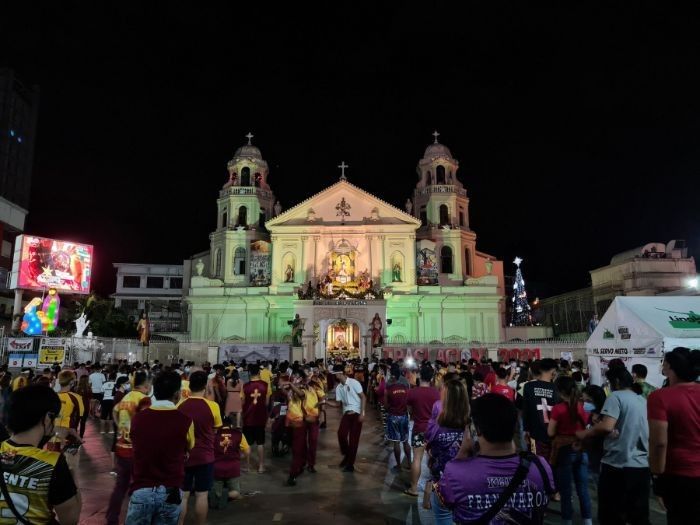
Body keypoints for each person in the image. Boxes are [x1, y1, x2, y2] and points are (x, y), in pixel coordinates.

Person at [438, 393, 555, 524]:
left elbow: (445, 500)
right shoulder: (540, 467)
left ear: (476, 430)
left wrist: (462, 452)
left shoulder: (455, 473)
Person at [576, 366, 650, 525]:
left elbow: (607, 426)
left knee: (612, 515)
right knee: (637, 516)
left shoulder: (616, 396)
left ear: (615, 381)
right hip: (641, 466)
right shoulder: (641, 399)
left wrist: (585, 434)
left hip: (617, 465)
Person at [0, 385, 81, 524]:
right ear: (48, 417)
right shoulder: (53, 463)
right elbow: (70, 519)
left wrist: (59, 429)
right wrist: (72, 469)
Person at [126, 370, 195, 525]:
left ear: (154, 392)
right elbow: (189, 448)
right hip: (170, 490)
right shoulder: (186, 421)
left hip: (141, 489)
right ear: (177, 394)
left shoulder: (138, 419)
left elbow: (135, 443)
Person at [647, 347, 700, 523]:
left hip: (680, 476)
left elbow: (658, 443)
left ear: (669, 366)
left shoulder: (660, 397)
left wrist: (657, 479)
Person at [177, 370, 223, 525]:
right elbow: (216, 430)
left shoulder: (180, 405)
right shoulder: (213, 406)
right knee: (202, 495)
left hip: (184, 457)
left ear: (189, 386)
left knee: (183, 495)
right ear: (205, 386)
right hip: (205, 456)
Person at [106, 370, 152, 525]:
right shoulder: (144, 400)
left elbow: (114, 411)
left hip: (121, 447)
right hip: (136, 450)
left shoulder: (126, 397)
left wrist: (120, 427)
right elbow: (147, 423)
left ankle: (112, 517)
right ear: (146, 385)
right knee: (139, 487)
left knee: (121, 485)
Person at [548, 376, 592, 525]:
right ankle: (588, 521)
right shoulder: (582, 406)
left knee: (566, 492)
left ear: (559, 391)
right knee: (583, 490)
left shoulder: (558, 409)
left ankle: (567, 521)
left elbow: (550, 432)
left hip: (564, 451)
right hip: (581, 449)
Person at [423, 379, 469, 524]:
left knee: (444, 519)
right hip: (468, 483)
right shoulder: (472, 427)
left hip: (443, 483)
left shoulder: (437, 427)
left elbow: (428, 443)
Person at [405, 365, 441, 497]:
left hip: (419, 429)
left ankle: (413, 488)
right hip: (433, 431)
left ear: (419, 376)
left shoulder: (413, 392)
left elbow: (409, 410)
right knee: (434, 459)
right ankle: (434, 488)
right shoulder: (436, 393)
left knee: (417, 459)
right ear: (431, 377)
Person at [325, 363, 366, 472]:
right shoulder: (339, 387)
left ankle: (350, 464)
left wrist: (362, 413)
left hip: (356, 414)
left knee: (353, 440)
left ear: (340, 374)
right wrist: (326, 402)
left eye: (335, 374)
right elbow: (338, 404)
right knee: (341, 434)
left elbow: (363, 397)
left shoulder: (354, 383)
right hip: (346, 414)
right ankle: (347, 455)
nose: (334, 376)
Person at [209, 416, 250, 509]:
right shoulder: (238, 434)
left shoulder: (213, 435)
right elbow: (247, 451)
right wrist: (240, 458)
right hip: (233, 468)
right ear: (231, 425)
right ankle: (226, 495)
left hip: (217, 468)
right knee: (236, 492)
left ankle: (218, 495)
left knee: (215, 491)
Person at [521, 358, 559, 460]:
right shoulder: (556, 388)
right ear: (554, 371)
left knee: (536, 462)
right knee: (551, 463)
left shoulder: (529, 386)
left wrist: (526, 429)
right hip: (553, 433)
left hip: (535, 432)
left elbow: (526, 409)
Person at [240, 364, 269, 474]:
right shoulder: (265, 385)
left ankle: (247, 467)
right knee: (260, 443)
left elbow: (242, 402)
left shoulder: (245, 386)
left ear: (249, 373)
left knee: (247, 444)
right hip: (261, 417)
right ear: (259, 373)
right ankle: (261, 466)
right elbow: (266, 402)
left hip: (248, 417)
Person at [384, 365, 412, 474]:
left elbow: (386, 405)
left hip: (393, 416)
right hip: (404, 415)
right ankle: (409, 463)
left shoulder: (389, 386)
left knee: (396, 443)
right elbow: (409, 401)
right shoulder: (406, 386)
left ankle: (399, 465)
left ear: (392, 374)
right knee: (405, 441)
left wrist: (390, 409)